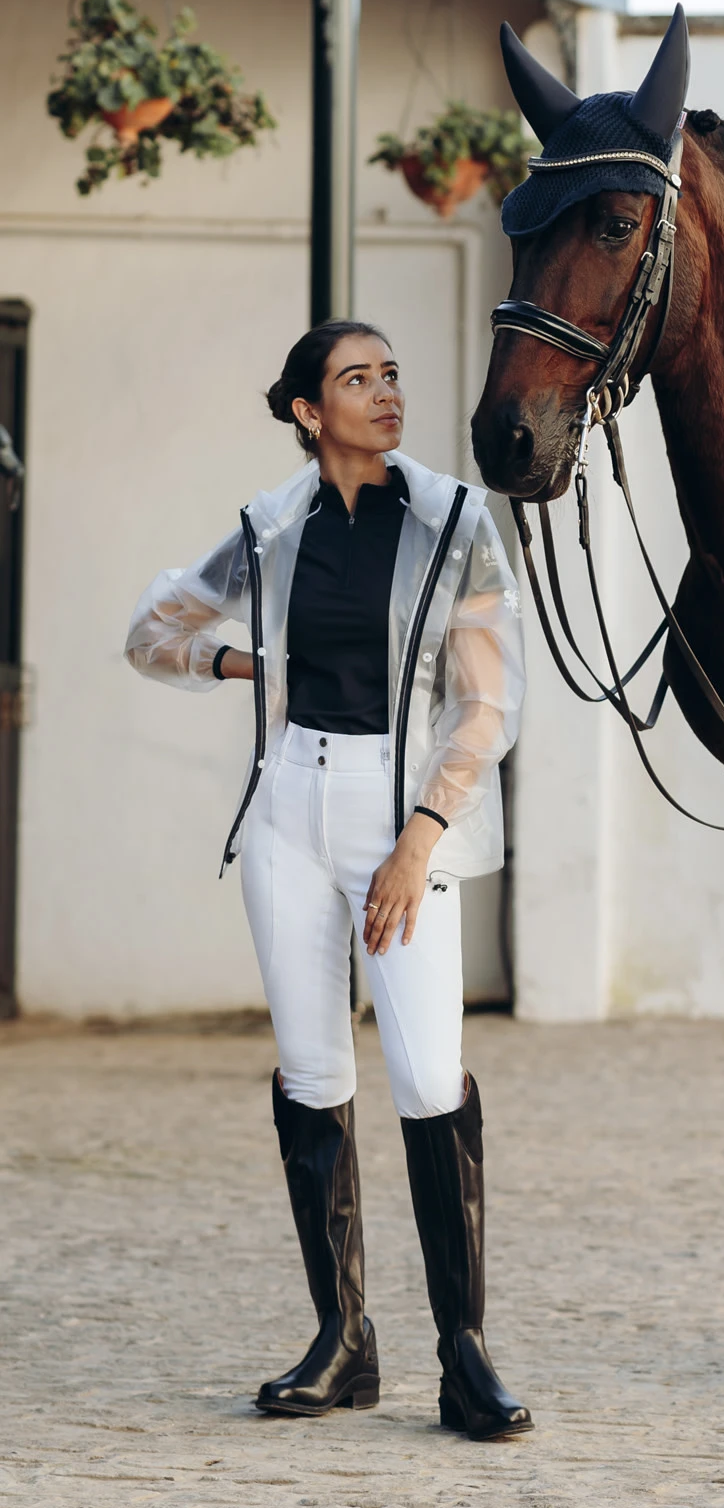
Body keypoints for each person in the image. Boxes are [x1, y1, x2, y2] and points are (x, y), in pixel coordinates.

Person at [125, 321, 530, 1441]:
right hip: (288, 814)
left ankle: (466, 1356)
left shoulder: (454, 520)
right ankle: (343, 1340)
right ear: (310, 412)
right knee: (312, 1070)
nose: (386, 392)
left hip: (400, 817)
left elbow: (487, 704)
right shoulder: (268, 528)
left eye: (391, 374)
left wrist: (418, 839)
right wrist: (241, 657)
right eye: (358, 380)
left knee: (426, 1070)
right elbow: (151, 632)